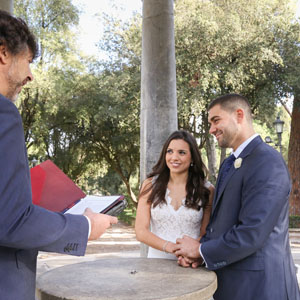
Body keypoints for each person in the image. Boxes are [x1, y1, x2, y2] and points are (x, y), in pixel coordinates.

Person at [0, 10, 118, 300]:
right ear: (3, 53)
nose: (30, 75)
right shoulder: (4, 114)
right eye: (27, 61)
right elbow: (11, 221)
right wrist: (86, 225)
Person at [174, 94, 300, 300]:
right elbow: (221, 224)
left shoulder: (268, 162)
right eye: (210, 123)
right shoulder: (229, 163)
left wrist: (202, 250)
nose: (211, 129)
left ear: (239, 115)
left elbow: (252, 233)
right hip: (232, 284)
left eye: (216, 120)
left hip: (262, 288)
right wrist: (202, 256)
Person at [135, 130, 214, 259]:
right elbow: (140, 231)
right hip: (156, 264)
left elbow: (206, 234)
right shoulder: (150, 186)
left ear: (193, 157)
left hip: (190, 263)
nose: (174, 157)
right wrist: (170, 247)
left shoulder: (207, 190)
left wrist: (190, 253)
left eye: (181, 153)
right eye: (170, 151)